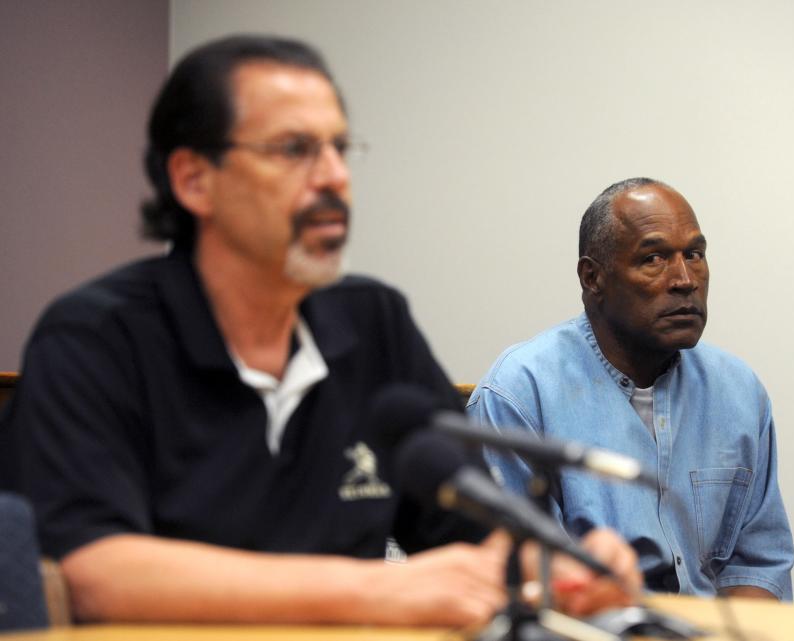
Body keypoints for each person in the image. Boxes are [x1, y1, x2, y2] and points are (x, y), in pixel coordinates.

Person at [0, 36, 639, 625]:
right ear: (194, 179)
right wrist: (381, 589)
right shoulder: (93, 337)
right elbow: (92, 572)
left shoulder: (373, 323)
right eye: (295, 150)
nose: (335, 176)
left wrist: (557, 564)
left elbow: (467, 537)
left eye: (339, 147)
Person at [468, 177, 794, 600]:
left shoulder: (738, 392)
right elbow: (518, 581)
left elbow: (759, 563)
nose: (684, 279)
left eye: (694, 255)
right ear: (593, 278)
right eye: (654, 258)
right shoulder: (519, 393)